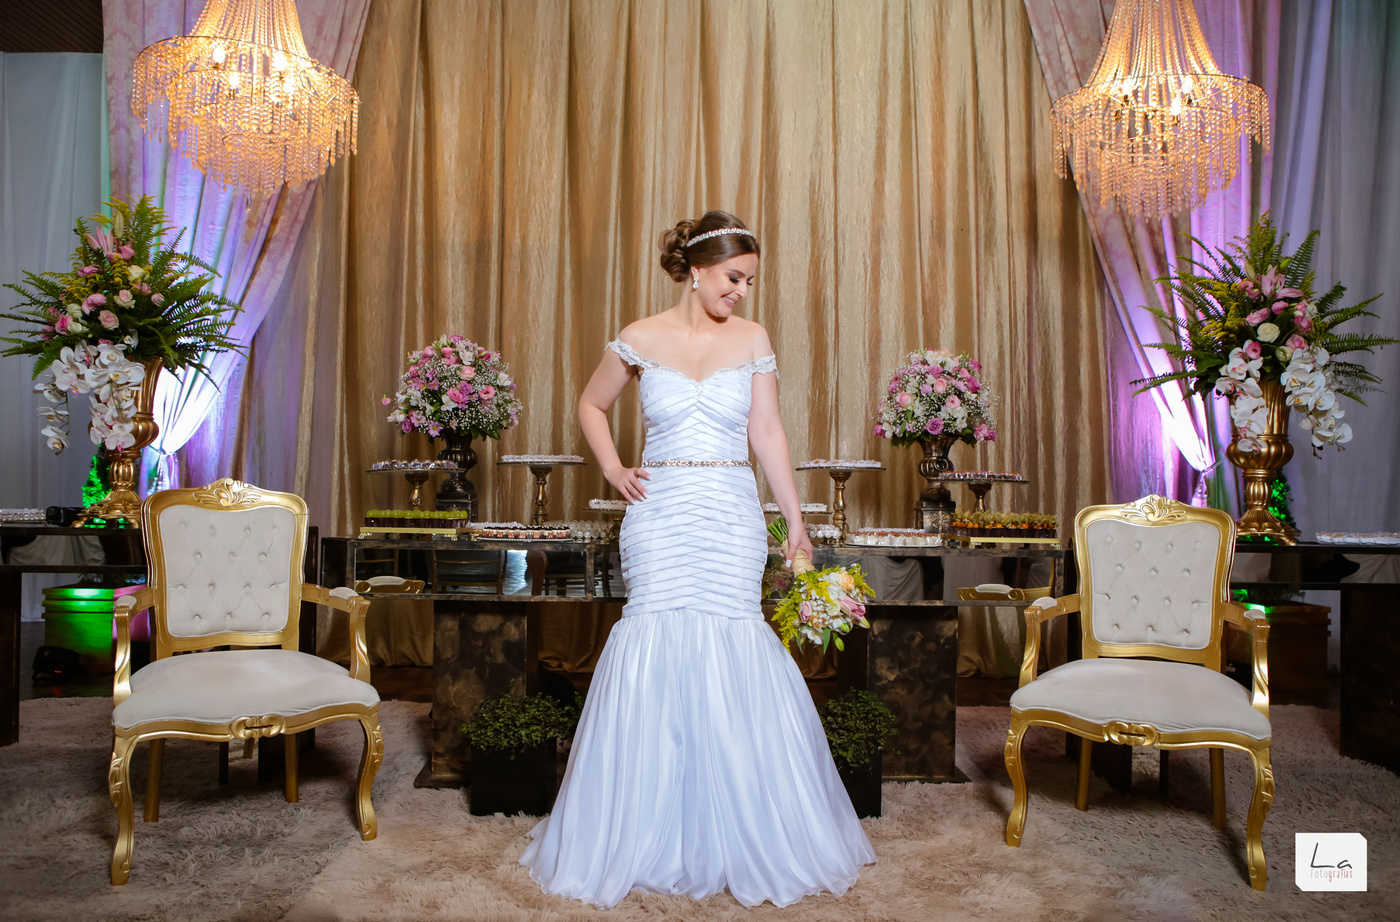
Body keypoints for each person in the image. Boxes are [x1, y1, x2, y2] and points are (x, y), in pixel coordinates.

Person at [519, 211, 875, 908]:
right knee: (653, 639)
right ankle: (643, 830)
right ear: (698, 270)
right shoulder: (639, 336)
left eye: (749, 282)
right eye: (733, 278)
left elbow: (767, 431)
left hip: (730, 513)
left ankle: (739, 830)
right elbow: (591, 405)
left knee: (733, 640)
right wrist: (615, 468)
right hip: (660, 514)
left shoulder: (752, 339)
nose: (741, 291)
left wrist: (794, 522)